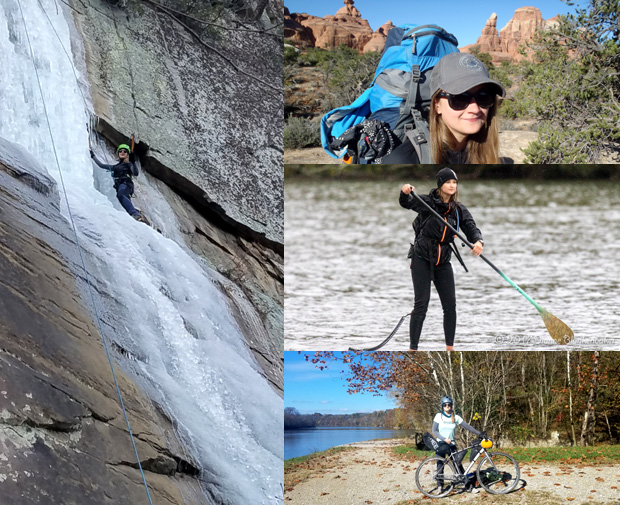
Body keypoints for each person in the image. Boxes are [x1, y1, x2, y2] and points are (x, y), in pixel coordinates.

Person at [399, 168, 483, 351]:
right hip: (421, 258)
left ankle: (450, 349)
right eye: (448, 182)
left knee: (450, 306)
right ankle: (413, 349)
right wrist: (404, 192)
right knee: (421, 306)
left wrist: (478, 241)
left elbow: (471, 227)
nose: (452, 185)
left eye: (454, 182)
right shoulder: (427, 202)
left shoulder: (459, 210)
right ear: (440, 185)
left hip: (443, 261)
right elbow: (407, 203)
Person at [382, 52, 505, 164]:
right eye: (460, 98)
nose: (475, 109)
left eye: (483, 97)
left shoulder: (485, 153)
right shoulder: (404, 159)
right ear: (437, 105)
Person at [433, 395, 484, 494]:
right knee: (440, 466)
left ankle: (468, 486)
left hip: (451, 444)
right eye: (445, 405)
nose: (447, 406)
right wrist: (444, 439)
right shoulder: (438, 416)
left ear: (451, 406)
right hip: (441, 444)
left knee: (458, 465)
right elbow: (434, 431)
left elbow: (468, 427)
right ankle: (440, 486)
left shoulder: (455, 417)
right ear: (442, 406)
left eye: (449, 405)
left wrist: (479, 433)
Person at [90, 144, 145, 222]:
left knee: (121, 195)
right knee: (122, 199)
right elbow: (101, 165)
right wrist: (93, 156)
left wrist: (133, 162)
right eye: (120, 151)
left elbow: (135, 173)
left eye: (125, 151)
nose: (122, 152)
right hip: (121, 186)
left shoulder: (129, 164)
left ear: (127, 154)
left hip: (126, 184)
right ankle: (137, 215)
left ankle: (135, 214)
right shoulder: (115, 167)